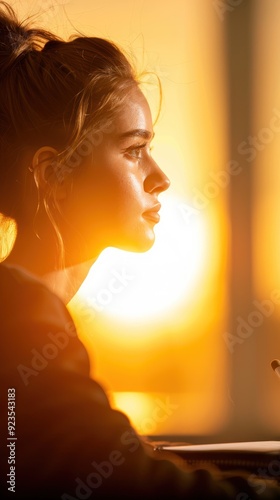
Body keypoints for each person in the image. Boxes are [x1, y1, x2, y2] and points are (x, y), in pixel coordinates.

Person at [0, 3, 279, 499]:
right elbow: (129, 485)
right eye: (133, 151)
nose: (161, 177)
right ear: (53, 176)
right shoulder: (24, 322)